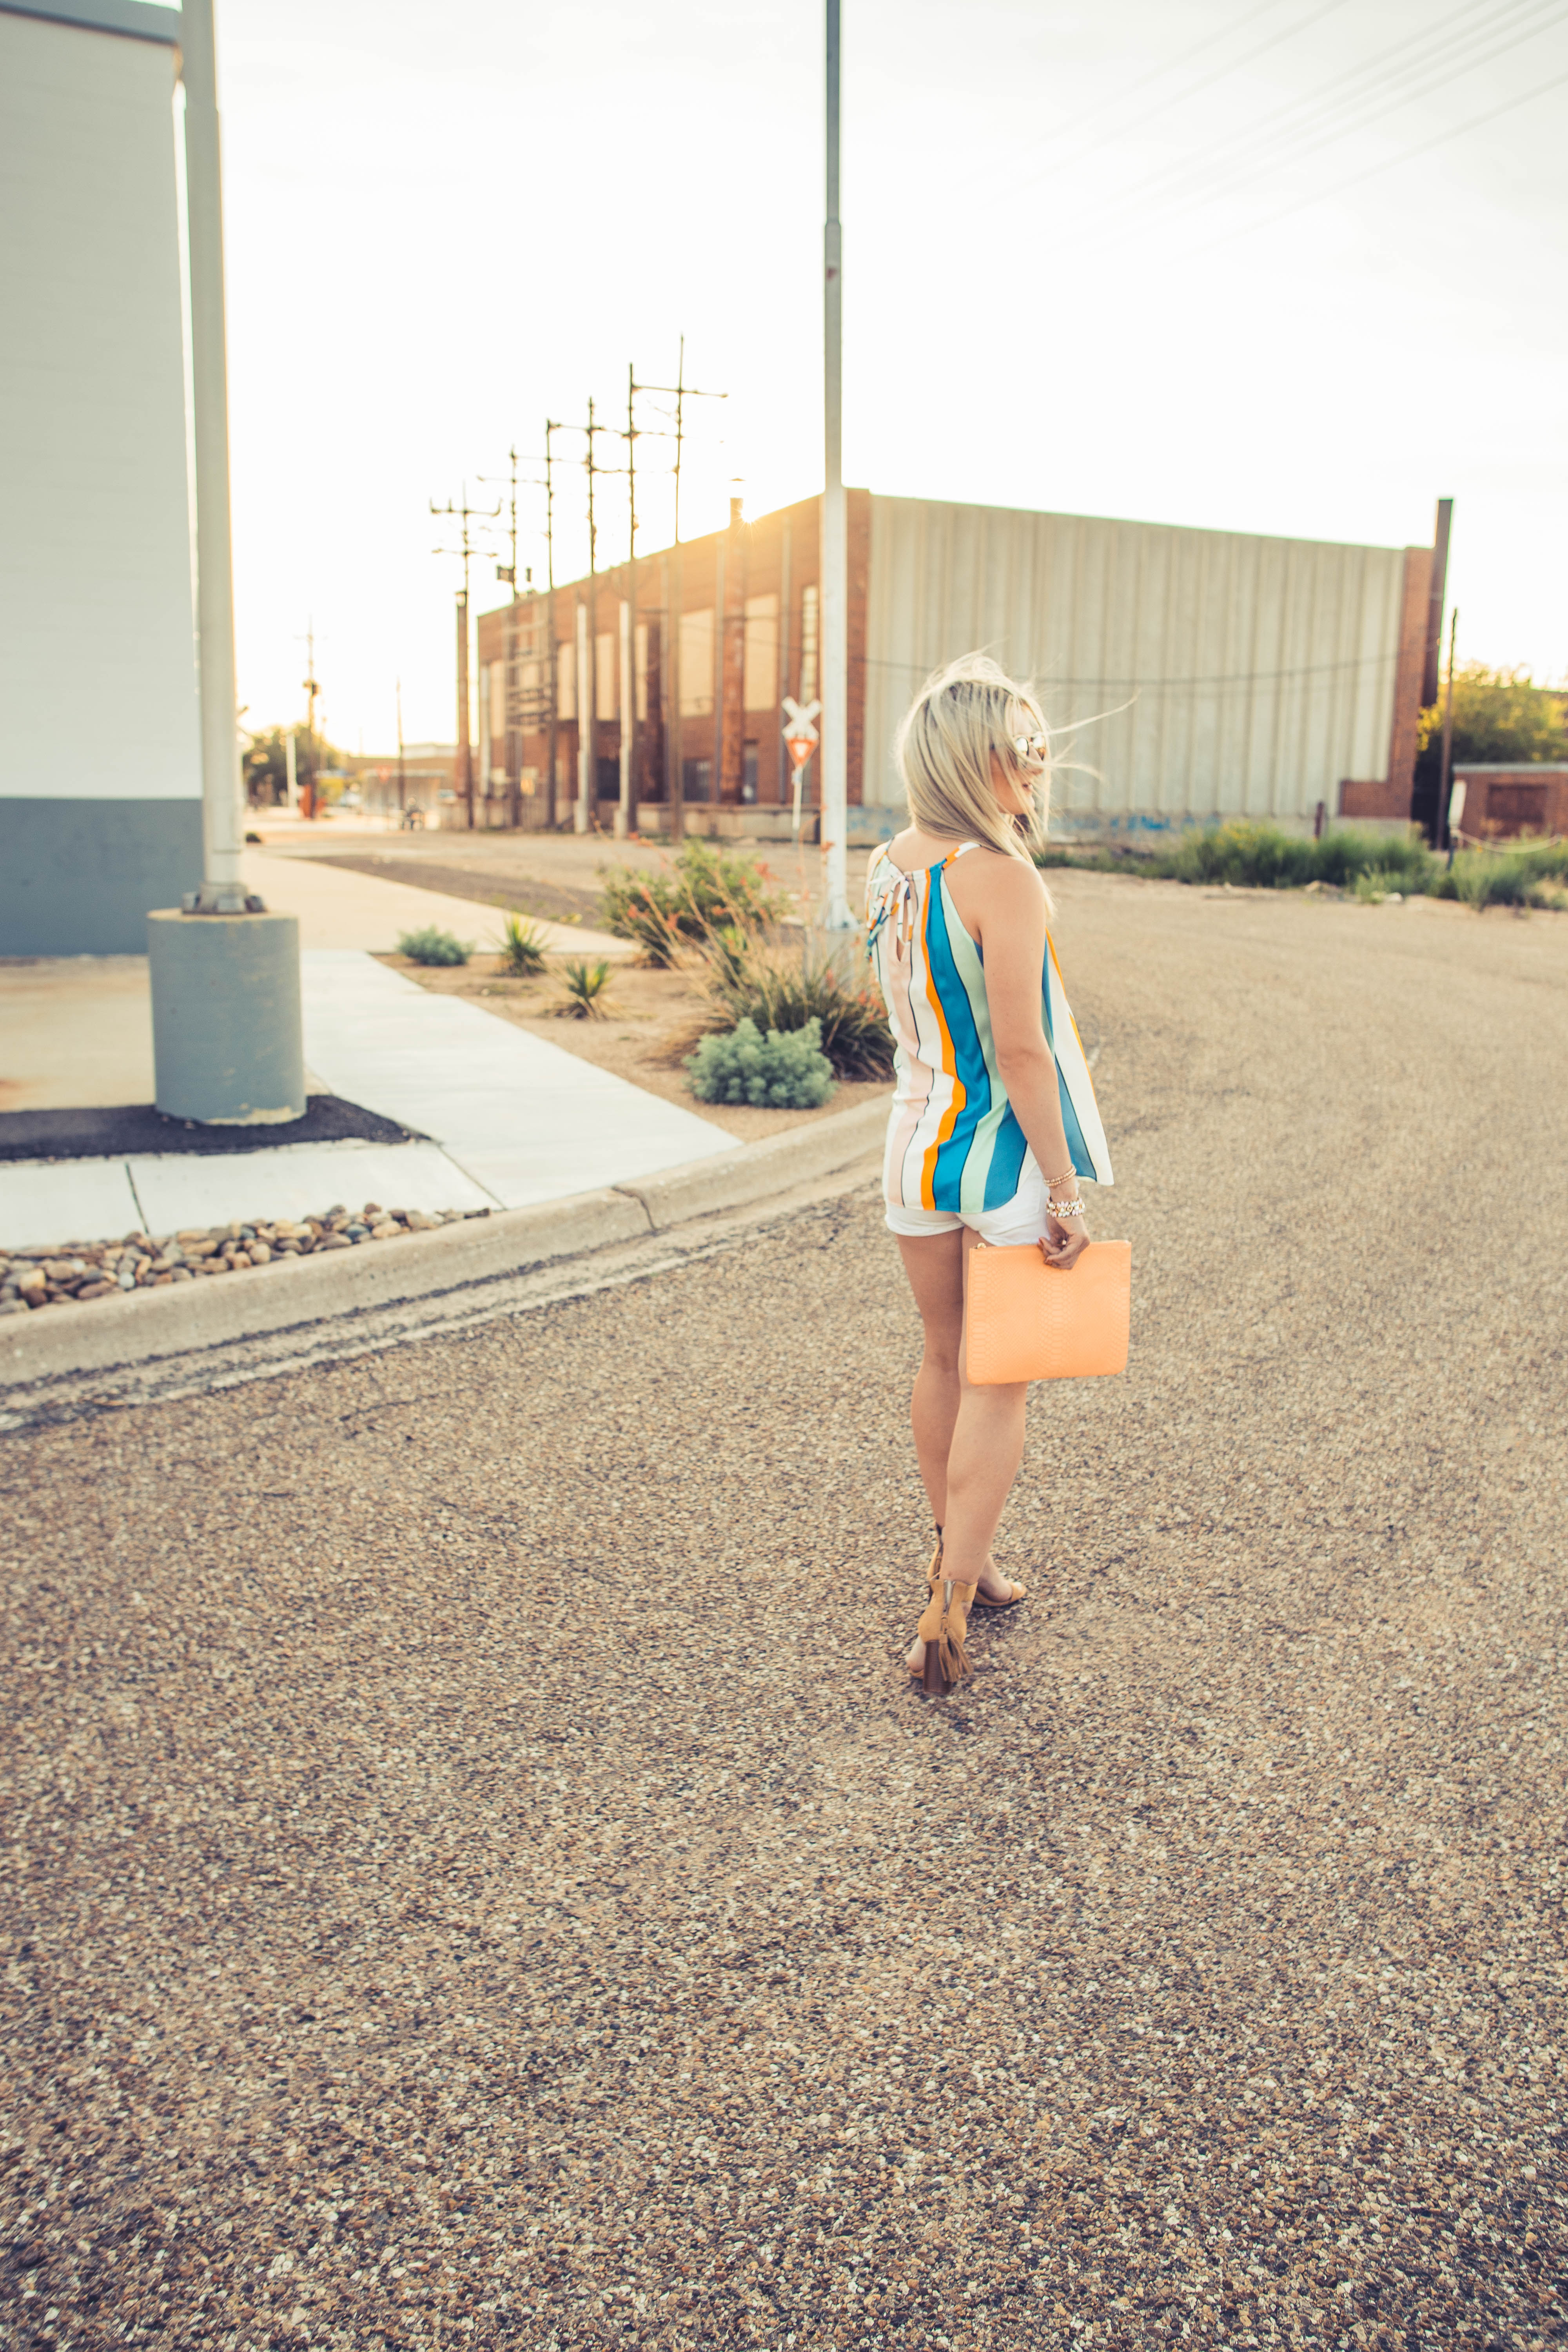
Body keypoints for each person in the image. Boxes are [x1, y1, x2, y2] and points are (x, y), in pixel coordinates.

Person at [864, 653, 1114, 1697]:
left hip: (914, 1150)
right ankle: (949, 1604)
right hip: (1002, 1160)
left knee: (941, 1359)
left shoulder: (891, 866)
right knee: (998, 1385)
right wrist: (1064, 1189)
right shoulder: (1005, 878)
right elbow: (1023, 1052)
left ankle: (964, 1560)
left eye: (1040, 745)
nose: (1039, 765)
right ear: (976, 761)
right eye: (1022, 749)